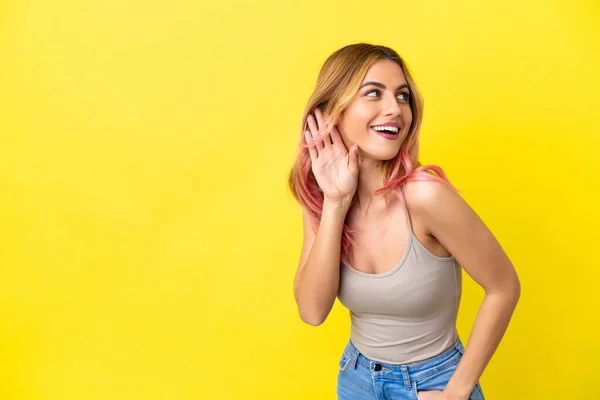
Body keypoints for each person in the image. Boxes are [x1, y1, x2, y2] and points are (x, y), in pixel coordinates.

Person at [287, 43, 521, 400]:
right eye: (373, 94)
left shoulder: (426, 197)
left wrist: (457, 391)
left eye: (402, 96)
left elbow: (504, 287)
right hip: (357, 379)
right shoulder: (321, 200)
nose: (394, 109)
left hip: (434, 382)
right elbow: (312, 311)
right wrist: (335, 203)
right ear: (333, 110)